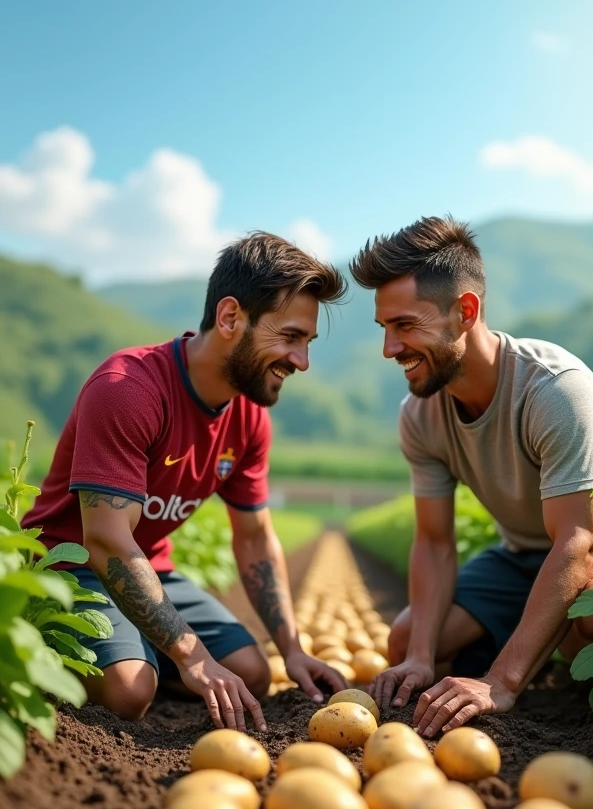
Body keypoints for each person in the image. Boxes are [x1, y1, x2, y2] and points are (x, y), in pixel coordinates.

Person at [24, 232, 349, 731]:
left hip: (149, 568)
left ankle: (137, 647)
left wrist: (292, 650)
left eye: (307, 342)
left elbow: (256, 538)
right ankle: (51, 639)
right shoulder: (128, 390)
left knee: (252, 672)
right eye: (289, 337)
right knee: (130, 691)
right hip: (71, 563)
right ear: (229, 318)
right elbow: (106, 541)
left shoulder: (249, 417)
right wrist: (191, 654)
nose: (301, 361)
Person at [349, 216, 593, 737]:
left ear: (465, 311)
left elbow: (582, 543)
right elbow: (436, 542)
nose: (389, 349)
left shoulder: (555, 391)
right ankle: (538, 638)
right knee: (404, 642)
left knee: (592, 617)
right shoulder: (420, 415)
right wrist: (420, 657)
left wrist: (500, 681)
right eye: (385, 329)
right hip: (521, 557)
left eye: (405, 326)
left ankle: (542, 654)